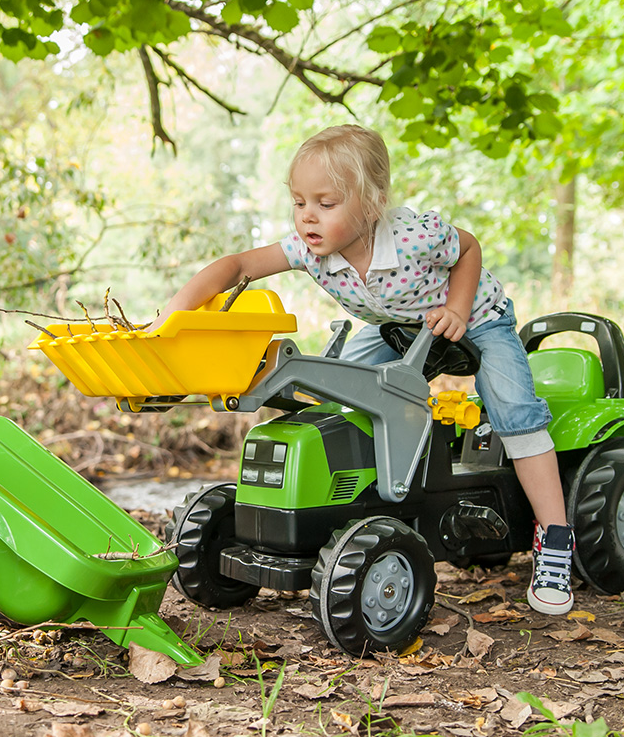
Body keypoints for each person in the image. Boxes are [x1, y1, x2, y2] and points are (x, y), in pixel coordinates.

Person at [153, 124, 575, 616]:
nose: (308, 217)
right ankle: (365, 503)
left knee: (515, 412)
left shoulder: (415, 236)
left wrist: (458, 310)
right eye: (299, 202)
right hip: (397, 324)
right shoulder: (307, 249)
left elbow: (469, 248)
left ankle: (555, 538)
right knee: (340, 392)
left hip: (476, 317)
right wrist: (175, 315)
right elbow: (236, 264)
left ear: (372, 204)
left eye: (325, 204)